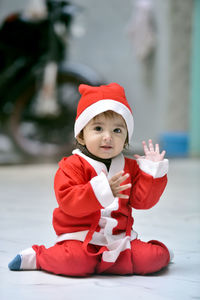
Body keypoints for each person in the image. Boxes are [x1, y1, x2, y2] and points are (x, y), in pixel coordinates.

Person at [8, 82, 172, 276]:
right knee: (75, 262)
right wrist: (103, 191)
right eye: (98, 128)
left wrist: (151, 173)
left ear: (127, 138)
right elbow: (68, 201)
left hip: (117, 239)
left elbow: (142, 202)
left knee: (151, 258)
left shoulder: (130, 167)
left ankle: (127, 258)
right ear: (82, 136)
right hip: (79, 238)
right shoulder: (72, 165)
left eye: (117, 130)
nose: (108, 137)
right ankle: (39, 256)